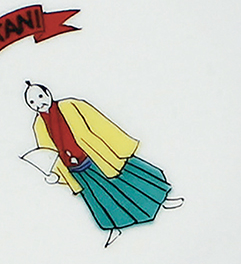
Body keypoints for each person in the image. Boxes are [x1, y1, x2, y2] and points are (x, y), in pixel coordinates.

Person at [24, 81, 183, 247]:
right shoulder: (39, 125)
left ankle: (162, 199)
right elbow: (48, 155)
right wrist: (55, 175)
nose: (39, 103)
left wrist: (121, 145)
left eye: (40, 96)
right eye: (32, 102)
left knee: (129, 178)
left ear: (48, 93)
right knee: (99, 198)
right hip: (75, 169)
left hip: (97, 155)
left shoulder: (71, 106)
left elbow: (100, 123)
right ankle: (113, 226)